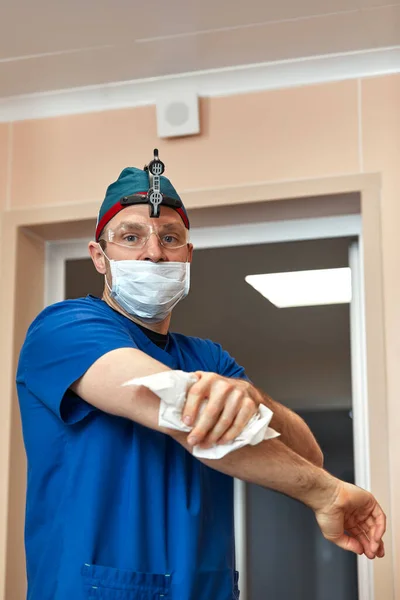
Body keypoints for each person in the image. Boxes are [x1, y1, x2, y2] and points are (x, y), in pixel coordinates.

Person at [17, 150, 386, 600]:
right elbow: (176, 407)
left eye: (170, 238)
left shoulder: (209, 358)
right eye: (131, 237)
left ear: (187, 254)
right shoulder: (65, 329)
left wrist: (251, 399)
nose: (154, 253)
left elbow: (308, 454)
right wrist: (326, 495)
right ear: (99, 256)